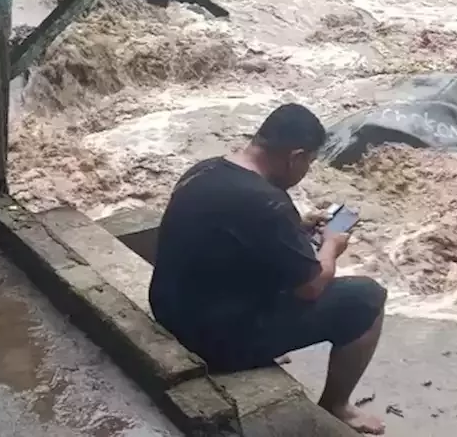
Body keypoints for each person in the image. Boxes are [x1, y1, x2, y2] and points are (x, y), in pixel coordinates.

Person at [149, 104, 386, 435]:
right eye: (308, 163)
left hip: (170, 312)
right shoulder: (269, 203)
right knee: (367, 298)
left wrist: (296, 228)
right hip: (212, 341)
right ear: (296, 156)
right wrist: (331, 244)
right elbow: (311, 287)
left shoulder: (205, 170)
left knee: (282, 270)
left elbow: (233, 232)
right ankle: (336, 405)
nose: (305, 170)